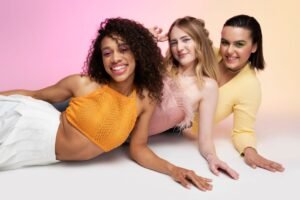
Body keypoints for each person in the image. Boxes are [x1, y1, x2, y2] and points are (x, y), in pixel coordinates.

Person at [0, 18, 212, 191]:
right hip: (25, 126)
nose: (115, 58)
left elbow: (138, 149)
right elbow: (34, 95)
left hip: (37, 154)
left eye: (123, 49)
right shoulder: (83, 83)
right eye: (107, 52)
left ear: (138, 53)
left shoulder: (143, 100)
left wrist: (173, 169)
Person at [189, 15, 285, 172]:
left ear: (254, 46)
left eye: (239, 44)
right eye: (225, 42)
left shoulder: (250, 86)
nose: (229, 51)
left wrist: (250, 152)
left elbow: (243, 131)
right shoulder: (207, 54)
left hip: (175, 131)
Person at [147, 16, 239, 180]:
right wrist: (146, 39)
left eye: (185, 40)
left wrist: (213, 158)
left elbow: (205, 140)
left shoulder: (207, 87)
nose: (179, 48)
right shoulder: (162, 68)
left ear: (199, 42)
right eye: (174, 42)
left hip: (126, 136)